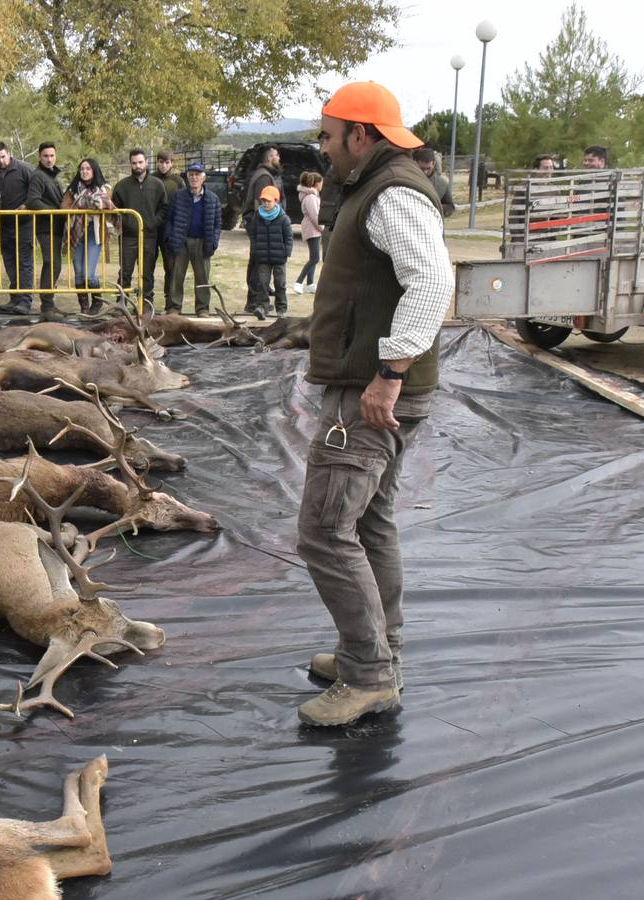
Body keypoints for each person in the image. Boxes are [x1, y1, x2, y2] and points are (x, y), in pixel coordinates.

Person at [295, 81, 454, 727]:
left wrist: (389, 373)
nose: (324, 147)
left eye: (329, 136)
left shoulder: (391, 191)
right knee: (368, 523)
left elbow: (433, 282)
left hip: (372, 393)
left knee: (325, 529)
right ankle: (376, 651)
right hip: (374, 386)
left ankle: (369, 675)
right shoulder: (377, 185)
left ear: (361, 135)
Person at [111, 148, 167, 311]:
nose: (137, 166)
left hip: (149, 236)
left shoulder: (157, 185)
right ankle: (121, 304)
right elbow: (115, 211)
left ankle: (145, 304)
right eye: (134, 163)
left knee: (147, 272)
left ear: (146, 162)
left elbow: (164, 208)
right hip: (128, 237)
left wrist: (153, 223)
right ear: (130, 164)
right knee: (125, 272)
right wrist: (126, 224)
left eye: (140, 162)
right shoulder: (122, 186)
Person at [163, 162, 221, 315]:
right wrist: (170, 237)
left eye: (197, 174)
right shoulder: (178, 196)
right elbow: (169, 219)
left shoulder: (213, 198)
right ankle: (174, 307)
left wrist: (214, 241)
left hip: (203, 242)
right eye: (191, 175)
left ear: (203, 178)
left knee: (202, 278)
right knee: (176, 276)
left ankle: (202, 308)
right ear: (187, 178)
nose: (194, 177)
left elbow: (217, 223)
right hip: (181, 241)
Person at [62, 159, 114, 315]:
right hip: (76, 231)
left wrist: (83, 205)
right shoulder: (72, 189)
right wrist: (85, 207)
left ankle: (97, 302)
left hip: (94, 231)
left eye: (88, 169)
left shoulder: (104, 188)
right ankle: (84, 307)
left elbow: (105, 204)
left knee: (89, 274)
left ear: (94, 171)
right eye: (82, 169)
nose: (84, 171)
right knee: (78, 273)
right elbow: (64, 207)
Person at [0, 142, 36, 314]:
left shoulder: (24, 169)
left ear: (9, 153)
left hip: (24, 223)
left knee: (24, 262)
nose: (1, 161)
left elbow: (37, 190)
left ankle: (25, 301)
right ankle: (15, 297)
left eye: (3, 156)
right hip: (5, 224)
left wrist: (27, 204)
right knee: (9, 261)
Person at [28, 141, 67, 321]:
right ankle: (46, 306)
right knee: (51, 263)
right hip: (45, 227)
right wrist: (53, 211)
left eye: (52, 155)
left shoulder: (53, 176)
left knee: (55, 265)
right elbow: (33, 200)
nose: (49, 159)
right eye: (45, 156)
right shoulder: (38, 176)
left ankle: (49, 303)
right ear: (39, 157)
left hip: (56, 226)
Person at [244, 185, 292, 319]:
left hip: (279, 257)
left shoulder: (284, 218)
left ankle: (281, 308)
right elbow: (253, 234)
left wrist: (286, 252)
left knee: (280, 283)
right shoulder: (257, 216)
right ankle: (262, 307)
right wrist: (255, 250)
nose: (265, 203)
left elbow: (289, 237)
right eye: (263, 200)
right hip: (262, 257)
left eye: (268, 201)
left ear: (276, 201)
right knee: (262, 283)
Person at [156, 150, 184, 310]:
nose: (164, 165)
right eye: (161, 162)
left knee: (171, 266)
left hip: (170, 230)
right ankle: (146, 300)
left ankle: (170, 301)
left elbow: (183, 205)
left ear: (172, 163)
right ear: (157, 162)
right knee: (147, 267)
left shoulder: (178, 181)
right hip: (152, 229)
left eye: (167, 162)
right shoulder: (150, 179)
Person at [293, 171, 324, 294]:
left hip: (313, 229)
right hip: (312, 229)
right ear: (316, 184)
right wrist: (322, 228)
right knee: (315, 258)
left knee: (313, 257)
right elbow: (315, 215)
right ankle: (299, 282)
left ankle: (310, 283)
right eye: (321, 183)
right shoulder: (311, 197)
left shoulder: (312, 196)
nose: (322, 185)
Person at [412, 148, 455, 217]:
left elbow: (450, 207)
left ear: (434, 163)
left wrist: (434, 208)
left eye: (428, 168)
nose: (425, 172)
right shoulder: (409, 181)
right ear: (416, 163)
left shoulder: (442, 183)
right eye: (422, 168)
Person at [243, 145, 284, 218]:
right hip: (262, 222)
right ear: (269, 158)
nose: (279, 158)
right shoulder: (264, 177)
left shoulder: (267, 174)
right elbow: (260, 205)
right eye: (277, 155)